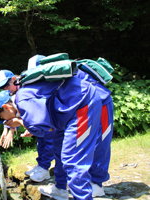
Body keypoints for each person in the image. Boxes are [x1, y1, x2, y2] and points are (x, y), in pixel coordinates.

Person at [0, 71, 102, 199]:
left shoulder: (23, 100)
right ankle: (60, 189)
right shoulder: (21, 101)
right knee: (59, 149)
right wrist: (23, 123)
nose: (4, 121)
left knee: (72, 159)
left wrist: (20, 122)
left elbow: (43, 129)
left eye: (2, 117)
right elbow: (45, 127)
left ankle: (83, 197)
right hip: (68, 112)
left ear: (6, 107)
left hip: (83, 103)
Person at [38, 66, 114, 198]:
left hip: (99, 102)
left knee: (100, 143)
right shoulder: (50, 78)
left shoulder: (62, 74)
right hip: (70, 110)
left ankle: (96, 183)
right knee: (60, 145)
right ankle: (61, 186)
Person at [0, 64, 53, 183]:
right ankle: (41, 165)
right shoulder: (15, 94)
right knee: (41, 141)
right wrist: (8, 128)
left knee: (49, 141)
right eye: (3, 88)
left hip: (50, 118)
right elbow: (15, 113)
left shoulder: (24, 89)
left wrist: (21, 124)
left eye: (6, 85)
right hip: (44, 120)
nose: (6, 89)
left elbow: (23, 116)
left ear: (13, 79)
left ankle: (44, 168)